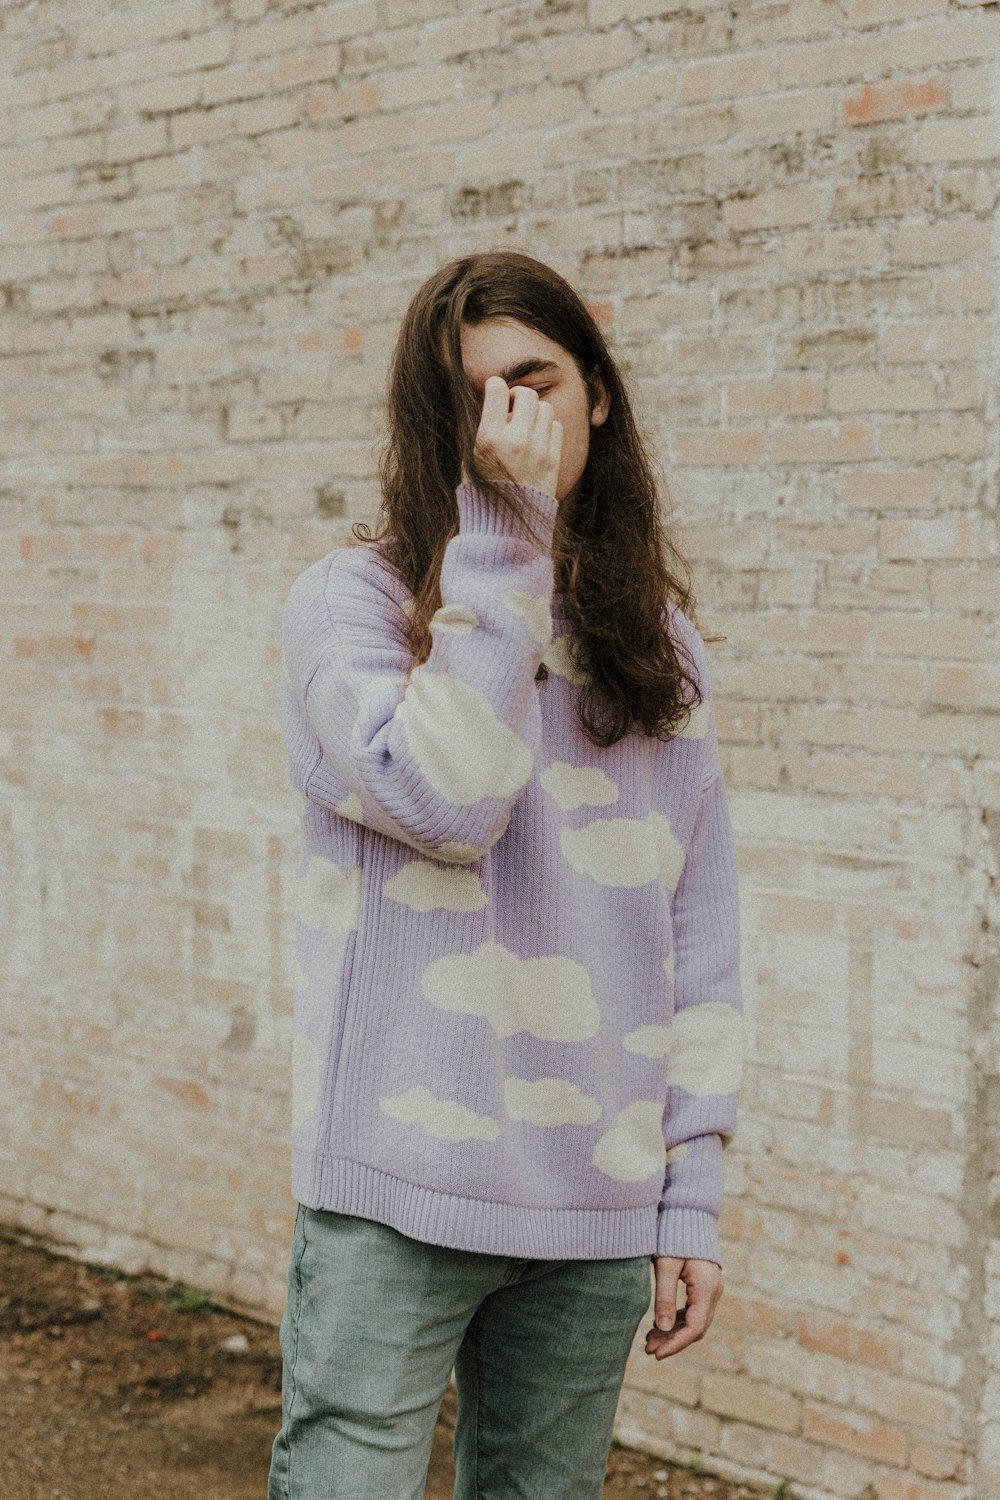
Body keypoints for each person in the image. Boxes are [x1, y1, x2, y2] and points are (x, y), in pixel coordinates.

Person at [268, 249, 743, 1500]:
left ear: (597, 396)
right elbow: (445, 800)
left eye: (534, 382)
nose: (511, 424)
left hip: (595, 1205)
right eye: (478, 399)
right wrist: (508, 539)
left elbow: (696, 937)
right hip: (395, 1195)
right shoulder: (350, 607)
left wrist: (689, 1192)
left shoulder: (660, 648)